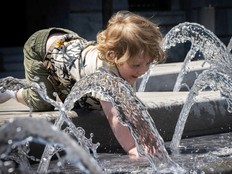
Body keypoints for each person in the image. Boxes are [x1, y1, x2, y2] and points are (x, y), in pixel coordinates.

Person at [0, 10, 165, 158]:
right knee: (40, 102)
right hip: (41, 48)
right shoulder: (104, 73)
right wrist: (131, 148)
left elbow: (130, 107)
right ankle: (11, 90)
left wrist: (148, 140)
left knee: (89, 102)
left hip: (67, 47)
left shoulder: (125, 66)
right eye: (136, 65)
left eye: (148, 63)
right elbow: (114, 116)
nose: (143, 70)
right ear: (113, 56)